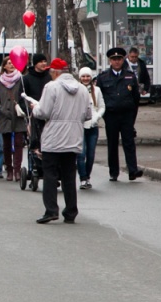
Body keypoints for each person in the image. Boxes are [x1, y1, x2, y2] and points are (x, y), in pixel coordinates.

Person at [32, 58, 91, 224]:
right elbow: (88, 115)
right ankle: (71, 211)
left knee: (50, 174)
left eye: (51, 71)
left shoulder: (51, 87)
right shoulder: (82, 89)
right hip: (74, 137)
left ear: (56, 72)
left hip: (53, 138)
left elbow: (43, 112)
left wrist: (34, 109)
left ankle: (51, 210)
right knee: (69, 176)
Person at [95, 47, 142, 182]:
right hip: (111, 115)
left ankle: (132, 170)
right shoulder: (103, 77)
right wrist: (104, 114)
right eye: (114, 59)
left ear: (123, 60)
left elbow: (135, 98)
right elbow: (99, 97)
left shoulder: (130, 76)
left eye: (119, 59)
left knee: (129, 142)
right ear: (110, 61)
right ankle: (113, 172)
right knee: (112, 143)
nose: (117, 62)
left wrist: (133, 116)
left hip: (127, 114)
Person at [0, 58, 28, 183]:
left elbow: (25, 96)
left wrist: (23, 108)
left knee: (19, 143)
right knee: (6, 145)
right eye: (9, 63)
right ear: (4, 67)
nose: (11, 65)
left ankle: (17, 170)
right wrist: (0, 109)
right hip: (4, 116)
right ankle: (9, 169)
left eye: (13, 62)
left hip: (18, 116)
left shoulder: (21, 79)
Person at [76, 67, 105, 190]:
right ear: (80, 77)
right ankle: (83, 179)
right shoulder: (76, 89)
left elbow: (102, 107)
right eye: (83, 76)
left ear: (91, 77)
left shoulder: (97, 90)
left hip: (92, 126)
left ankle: (87, 176)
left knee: (91, 154)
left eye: (88, 76)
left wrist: (96, 118)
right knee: (81, 154)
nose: (85, 78)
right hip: (80, 125)